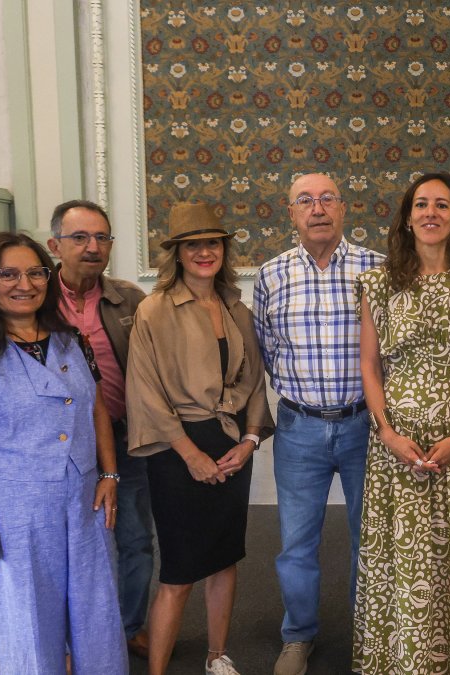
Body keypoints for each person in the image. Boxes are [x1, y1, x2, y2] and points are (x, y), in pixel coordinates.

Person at [0, 231, 127, 674]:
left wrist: (110, 473)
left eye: (36, 273)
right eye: (9, 274)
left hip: (84, 504)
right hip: (13, 513)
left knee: (97, 617)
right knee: (30, 628)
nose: (25, 284)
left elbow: (96, 408)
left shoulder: (72, 340)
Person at [353, 172, 450, 674]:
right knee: (405, 556)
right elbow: (370, 365)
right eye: (421, 204)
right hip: (397, 447)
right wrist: (387, 433)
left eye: (442, 205)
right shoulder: (378, 283)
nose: (431, 213)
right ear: (407, 217)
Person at [126, 203, 274, 675]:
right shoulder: (153, 310)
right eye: (193, 245)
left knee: (224, 558)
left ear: (224, 250)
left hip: (231, 444)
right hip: (176, 449)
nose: (204, 252)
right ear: (177, 253)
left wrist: (250, 441)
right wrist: (190, 454)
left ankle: (217, 656)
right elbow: (146, 391)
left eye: (213, 243)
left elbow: (254, 381)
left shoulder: (236, 308)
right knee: (178, 570)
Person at [253, 173, 384, 675]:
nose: (318, 208)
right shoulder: (271, 275)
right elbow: (267, 349)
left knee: (369, 537)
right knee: (296, 543)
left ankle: (370, 635)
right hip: (299, 428)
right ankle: (298, 636)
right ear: (291, 213)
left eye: (328, 198)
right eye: (305, 200)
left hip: (364, 425)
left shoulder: (377, 268)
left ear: (344, 207)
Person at [47, 199, 152, 659]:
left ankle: (128, 628)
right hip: (59, 446)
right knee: (66, 544)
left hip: (125, 439)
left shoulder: (129, 299)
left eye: (102, 237)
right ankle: (70, 642)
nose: (93, 247)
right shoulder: (34, 297)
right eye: (79, 237)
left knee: (135, 538)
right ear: (55, 245)